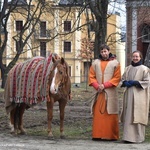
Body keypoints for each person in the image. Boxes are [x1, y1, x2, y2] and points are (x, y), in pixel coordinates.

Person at [88, 44, 121, 141]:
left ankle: (111, 135)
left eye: (105, 51)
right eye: (102, 52)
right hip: (99, 93)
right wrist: (97, 86)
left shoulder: (115, 63)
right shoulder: (95, 63)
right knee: (98, 114)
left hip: (110, 93)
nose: (104, 53)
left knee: (110, 112)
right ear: (100, 52)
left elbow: (117, 78)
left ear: (108, 51)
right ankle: (97, 134)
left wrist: (105, 85)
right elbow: (91, 76)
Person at [120, 50, 150, 143]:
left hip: (140, 96)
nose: (135, 58)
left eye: (137, 56)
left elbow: (147, 81)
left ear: (140, 57)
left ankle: (138, 138)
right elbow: (122, 79)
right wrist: (125, 82)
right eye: (134, 56)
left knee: (138, 115)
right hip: (129, 95)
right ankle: (127, 137)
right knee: (128, 115)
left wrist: (136, 82)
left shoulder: (145, 69)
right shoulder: (128, 68)